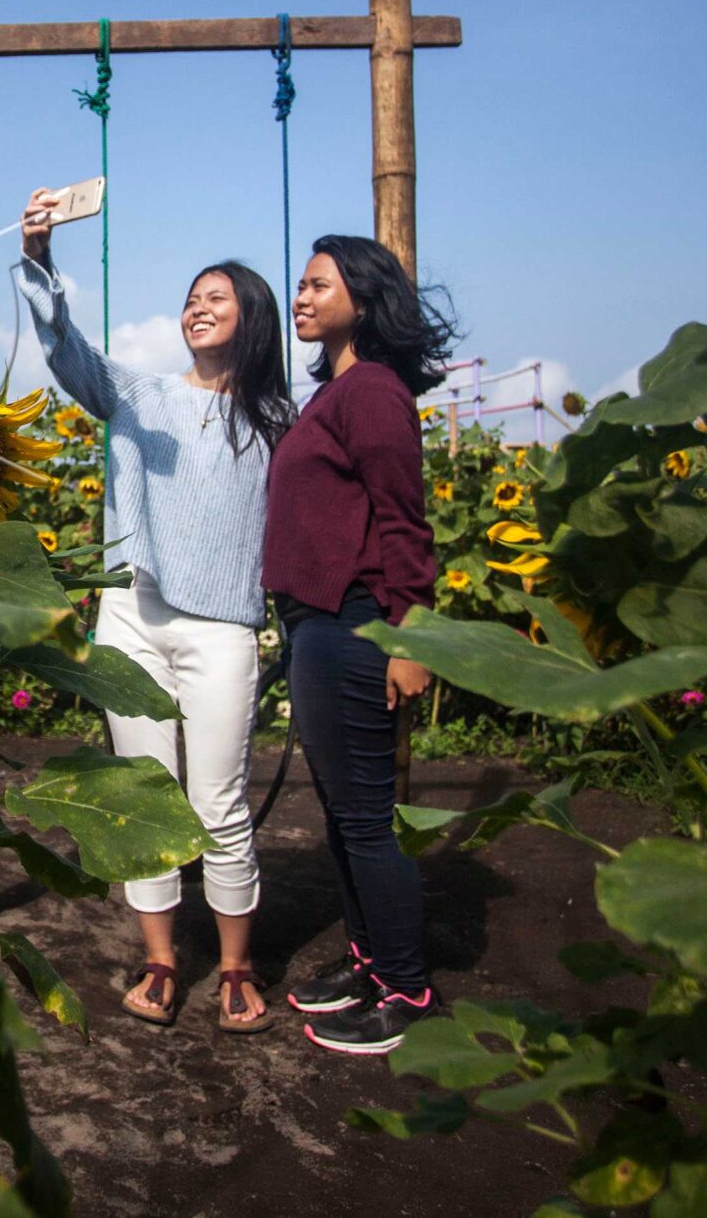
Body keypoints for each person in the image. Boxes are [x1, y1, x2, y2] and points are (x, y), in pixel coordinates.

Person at [16, 187, 294, 1033]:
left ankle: (237, 966)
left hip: (223, 628)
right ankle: (163, 960)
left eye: (218, 297)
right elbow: (66, 349)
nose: (197, 307)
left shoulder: (277, 421)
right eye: (192, 297)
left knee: (218, 802)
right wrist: (38, 258)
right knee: (144, 795)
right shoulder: (136, 393)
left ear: (252, 319)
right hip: (133, 617)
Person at [263, 234, 457, 1054]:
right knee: (345, 816)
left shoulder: (373, 391)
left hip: (356, 620)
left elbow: (404, 520)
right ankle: (371, 962)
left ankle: (408, 990)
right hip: (319, 622)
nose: (301, 297)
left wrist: (411, 636)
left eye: (318, 285)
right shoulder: (335, 393)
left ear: (365, 300)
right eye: (301, 285)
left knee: (368, 819)